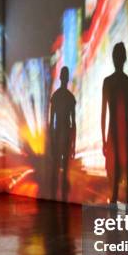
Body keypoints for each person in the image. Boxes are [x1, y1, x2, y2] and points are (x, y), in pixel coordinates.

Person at [101, 42, 128, 206]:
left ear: (114, 59)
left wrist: (104, 141)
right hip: (127, 138)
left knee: (113, 190)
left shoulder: (107, 82)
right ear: (124, 59)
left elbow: (103, 115)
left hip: (112, 137)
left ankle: (112, 228)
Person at [49, 66, 76, 201]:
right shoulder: (70, 98)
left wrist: (51, 141)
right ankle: (63, 199)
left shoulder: (56, 96)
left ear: (60, 77)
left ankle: (54, 197)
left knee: (55, 169)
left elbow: (51, 122)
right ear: (66, 78)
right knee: (64, 170)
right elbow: (73, 123)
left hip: (58, 134)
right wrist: (73, 144)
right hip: (65, 135)